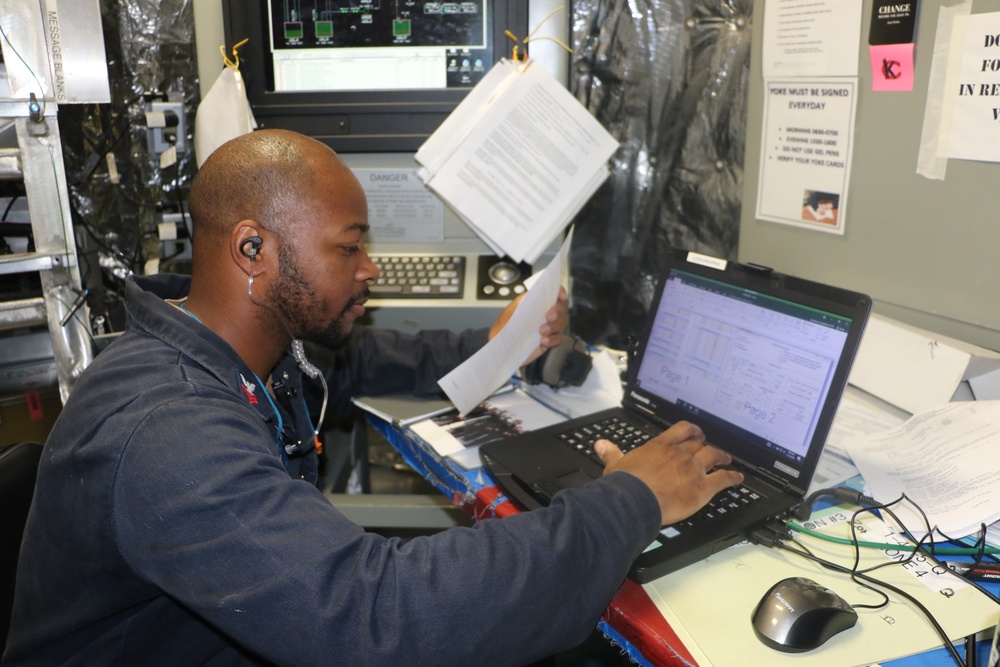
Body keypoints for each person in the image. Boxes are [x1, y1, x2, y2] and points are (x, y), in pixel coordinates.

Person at [2, 129, 743, 666]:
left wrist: (499, 347)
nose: (371, 266)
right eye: (348, 246)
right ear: (253, 250)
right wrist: (627, 499)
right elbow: (373, 617)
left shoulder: (231, 349)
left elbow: (355, 365)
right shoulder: (168, 431)